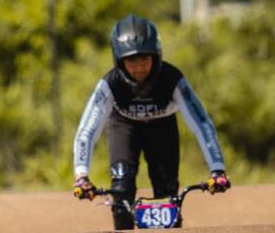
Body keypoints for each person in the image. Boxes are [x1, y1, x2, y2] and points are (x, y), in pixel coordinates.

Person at [72, 14, 230, 230]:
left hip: (162, 128)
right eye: (131, 61)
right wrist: (81, 175)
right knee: (121, 192)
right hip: (123, 127)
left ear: (156, 56)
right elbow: (87, 131)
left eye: (144, 59)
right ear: (119, 61)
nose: (139, 68)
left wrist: (217, 170)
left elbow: (201, 123)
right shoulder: (110, 84)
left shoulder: (172, 79)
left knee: (167, 194)